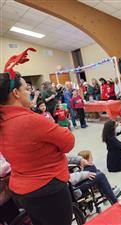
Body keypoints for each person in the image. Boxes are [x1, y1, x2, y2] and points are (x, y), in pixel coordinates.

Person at [0, 72, 75, 225]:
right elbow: (68, 143)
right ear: (16, 93)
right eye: (26, 89)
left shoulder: (4, 122)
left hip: (22, 190)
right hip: (47, 187)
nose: (29, 92)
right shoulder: (31, 120)